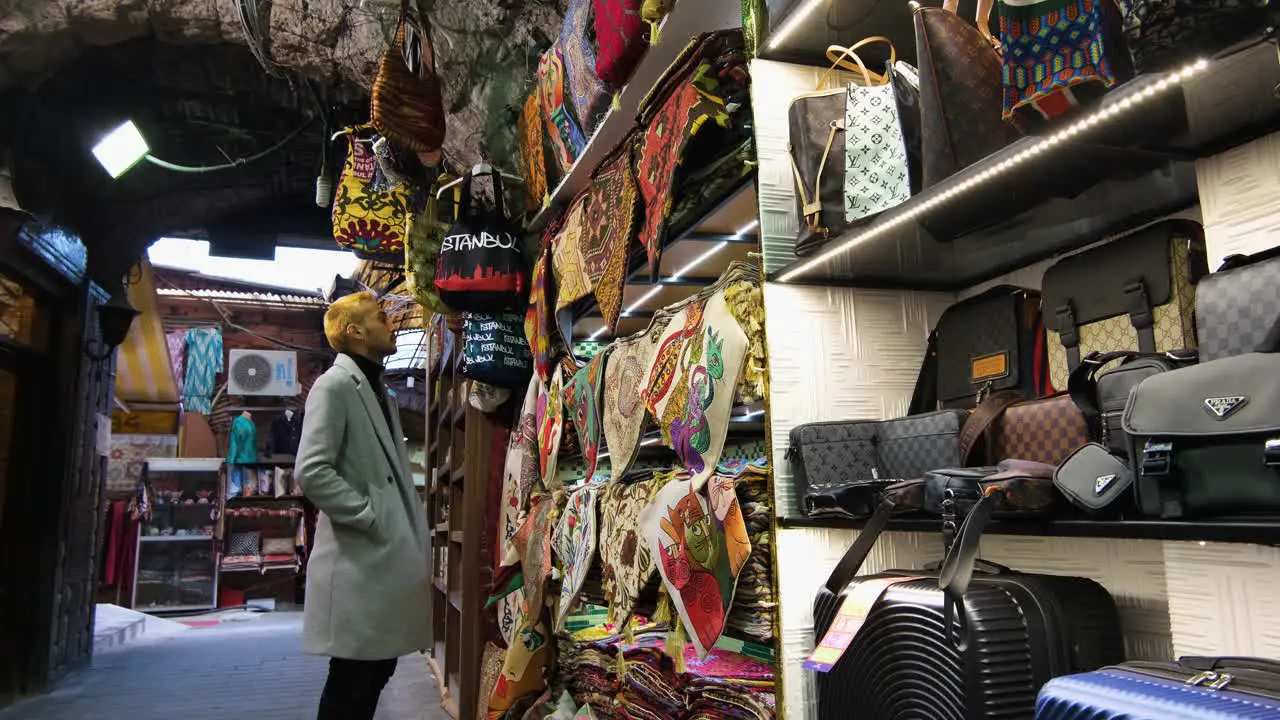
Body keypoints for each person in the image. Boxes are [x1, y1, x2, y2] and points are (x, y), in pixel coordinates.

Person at [296, 291, 430, 720]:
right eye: (379, 316)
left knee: (375, 670)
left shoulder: (381, 393)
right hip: (359, 557)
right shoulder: (334, 385)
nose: (391, 321)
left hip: (379, 560)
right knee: (352, 679)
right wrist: (368, 516)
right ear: (354, 331)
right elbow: (312, 470)